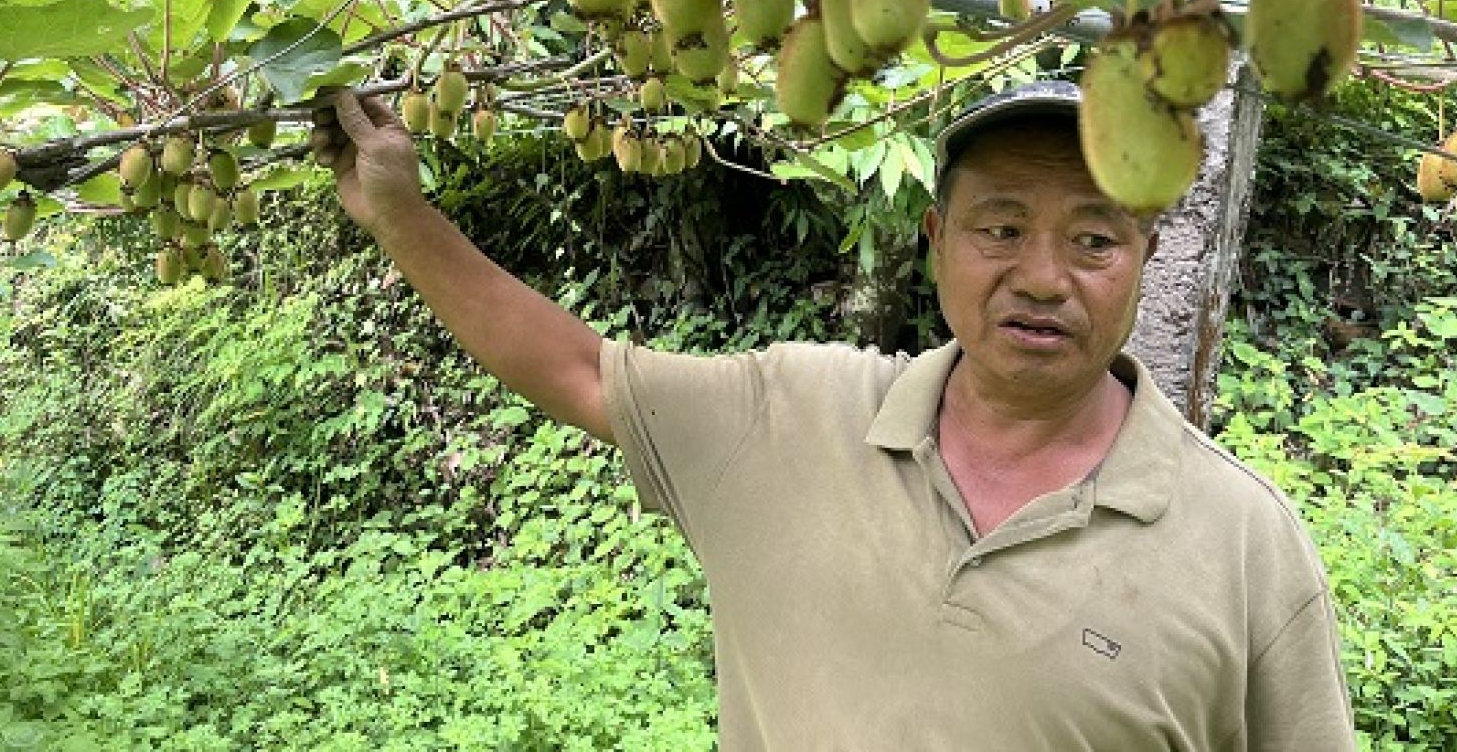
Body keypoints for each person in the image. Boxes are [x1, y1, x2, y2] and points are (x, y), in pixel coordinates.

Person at [311, 80, 1355, 750]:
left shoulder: (1242, 541)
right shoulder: (788, 417)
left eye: (1094, 240)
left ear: (1144, 259)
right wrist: (400, 214)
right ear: (937, 240)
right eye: (1001, 228)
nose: (1043, 277)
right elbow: (578, 370)